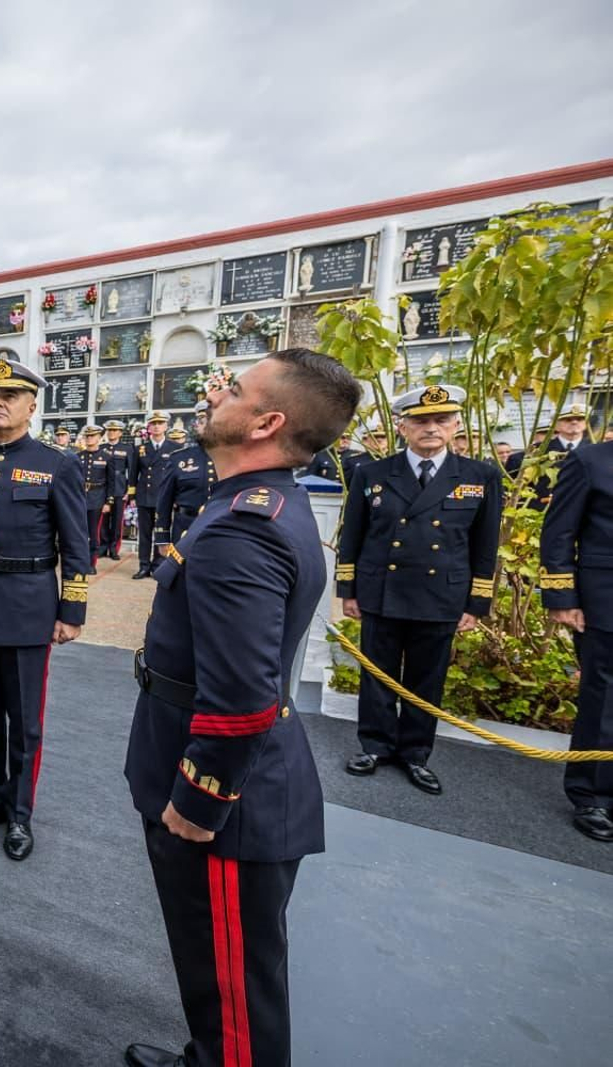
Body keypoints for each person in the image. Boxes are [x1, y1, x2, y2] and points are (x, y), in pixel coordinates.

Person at [122, 348, 362, 1067]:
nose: (216, 391)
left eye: (236, 387)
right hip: (237, 784)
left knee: (235, 994)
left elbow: (242, 699)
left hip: (225, 804)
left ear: (268, 421)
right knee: (218, 977)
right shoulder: (256, 503)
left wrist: (198, 801)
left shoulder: (241, 527)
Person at [0, 357, 91, 861]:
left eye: (9, 396)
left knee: (24, 720)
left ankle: (20, 815)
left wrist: (72, 608)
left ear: (32, 405)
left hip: (28, 604)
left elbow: (76, 543)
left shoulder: (57, 464)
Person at [337, 384, 503, 796]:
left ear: (456, 425)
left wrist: (476, 602)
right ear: (402, 426)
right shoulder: (372, 474)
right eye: (420, 421)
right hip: (382, 591)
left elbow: (485, 545)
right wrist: (348, 589)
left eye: (441, 420)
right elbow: (352, 536)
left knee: (427, 680)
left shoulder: (479, 476)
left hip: (442, 596)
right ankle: (373, 746)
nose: (431, 428)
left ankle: (414, 753)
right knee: (377, 675)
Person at [539, 438, 613, 842]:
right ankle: (594, 795)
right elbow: (559, 531)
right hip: (605, 600)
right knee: (603, 702)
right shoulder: (590, 460)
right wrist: (563, 597)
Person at [155, 412, 217, 554]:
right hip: (185, 526)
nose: (206, 426)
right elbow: (164, 499)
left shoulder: (231, 457)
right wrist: (162, 536)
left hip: (219, 527)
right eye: (201, 422)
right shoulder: (180, 457)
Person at [129, 411, 175, 578]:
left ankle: (157, 564)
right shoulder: (140, 448)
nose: (156, 426)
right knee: (145, 534)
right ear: (148, 427)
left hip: (164, 497)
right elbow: (133, 474)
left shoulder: (174, 448)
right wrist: (132, 496)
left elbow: (176, 475)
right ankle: (143, 565)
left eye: (160, 423)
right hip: (145, 495)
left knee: (161, 532)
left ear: (166, 426)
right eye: (153, 423)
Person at [76, 425, 114, 566]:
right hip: (80, 498)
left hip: (97, 498)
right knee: (79, 532)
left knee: (94, 532)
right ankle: (80, 560)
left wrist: (108, 502)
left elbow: (111, 481)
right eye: (87, 436)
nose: (89, 438)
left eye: (92, 436)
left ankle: (91, 562)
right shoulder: (78, 457)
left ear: (99, 438)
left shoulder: (107, 457)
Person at [101, 420, 132, 559]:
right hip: (103, 489)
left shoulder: (127, 448)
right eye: (109, 430)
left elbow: (131, 471)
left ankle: (114, 548)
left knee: (117, 521)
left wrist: (129, 492)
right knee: (103, 520)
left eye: (114, 430)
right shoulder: (101, 447)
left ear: (120, 433)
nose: (111, 433)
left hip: (120, 488)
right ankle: (102, 547)